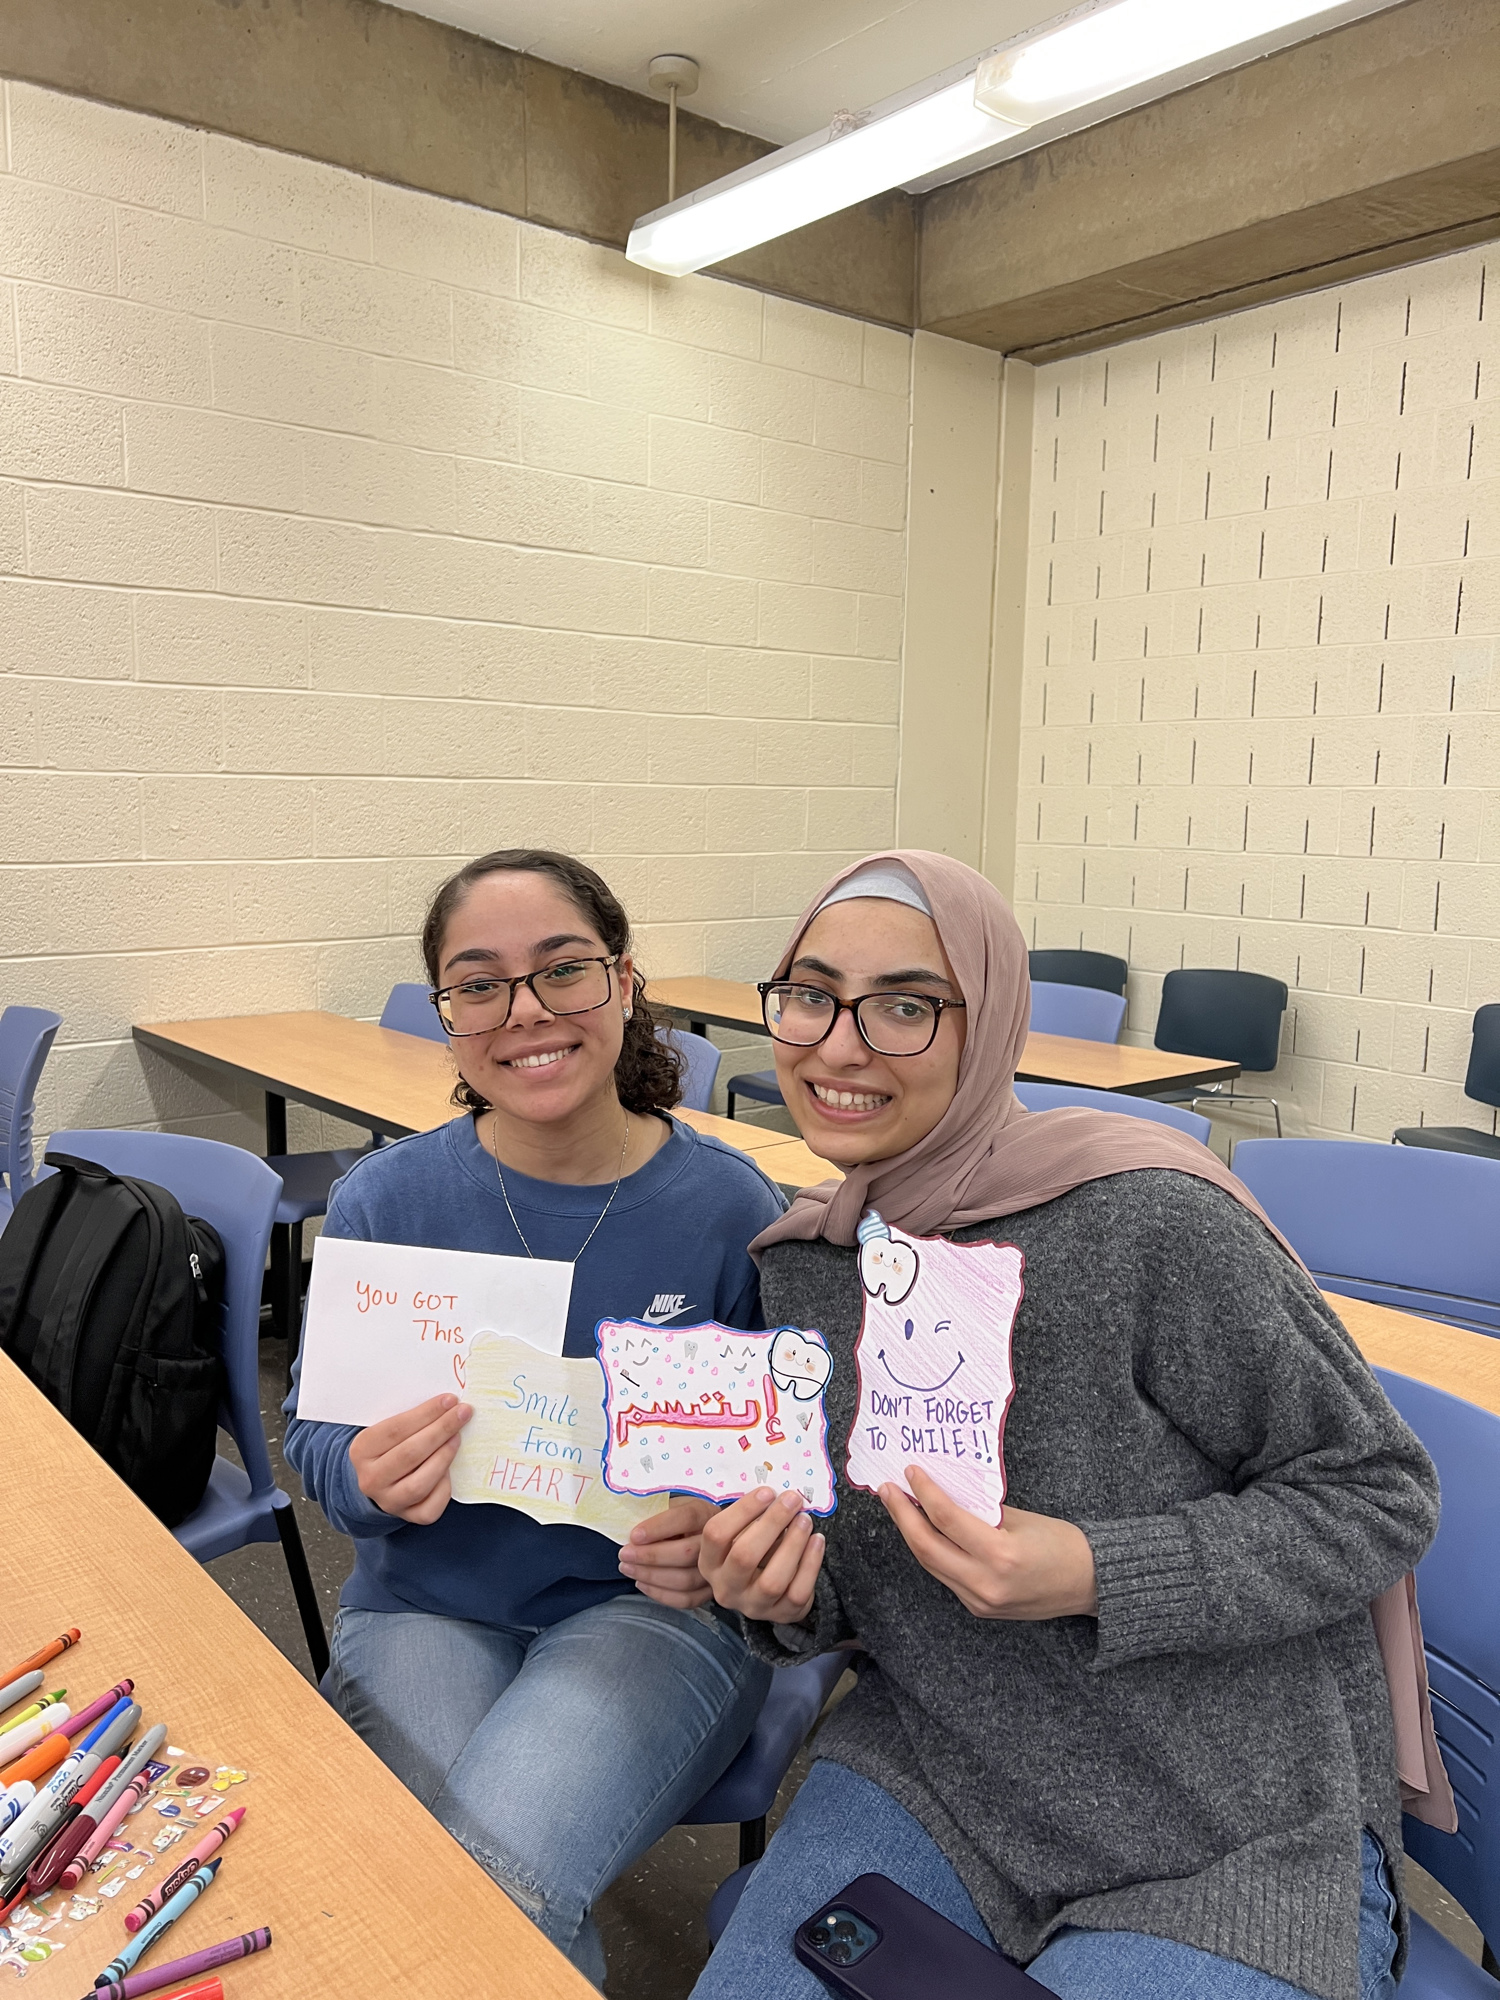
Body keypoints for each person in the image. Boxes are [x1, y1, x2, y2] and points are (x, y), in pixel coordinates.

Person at [691, 851, 1439, 2000]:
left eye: (904, 1005)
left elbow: (1378, 1492)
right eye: (809, 991)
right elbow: (867, 1566)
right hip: (938, 1766)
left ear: (985, 1021)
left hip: (1225, 1816)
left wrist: (1096, 1568)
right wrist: (783, 1590)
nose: (839, 1045)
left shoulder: (1147, 1221)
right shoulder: (813, 1263)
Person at [284, 848, 781, 1987]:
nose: (526, 1012)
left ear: (623, 983)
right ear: (447, 1015)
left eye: (564, 970)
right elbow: (315, 1444)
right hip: (425, 1599)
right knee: (434, 1888)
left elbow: (785, 1478)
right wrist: (363, 1467)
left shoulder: (728, 1209)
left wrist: (725, 1532)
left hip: (646, 1611)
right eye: (479, 983)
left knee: (478, 1879)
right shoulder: (389, 1198)